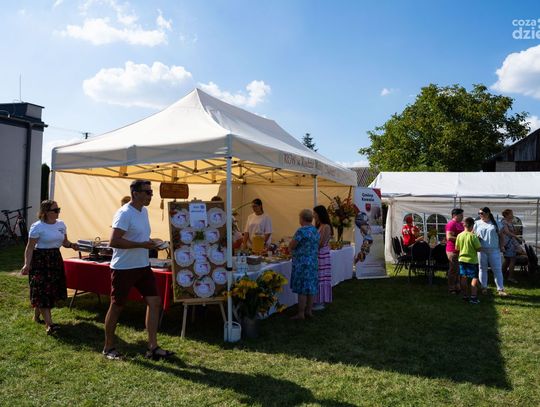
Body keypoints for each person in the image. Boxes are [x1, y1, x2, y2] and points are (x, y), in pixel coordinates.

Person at [102, 179, 174, 360]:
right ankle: (108, 348)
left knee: (155, 302)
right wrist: (142, 245)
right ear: (135, 193)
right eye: (147, 192)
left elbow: (140, 237)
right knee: (117, 306)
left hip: (142, 266)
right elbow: (114, 241)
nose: (151, 195)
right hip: (124, 268)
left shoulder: (144, 211)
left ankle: (153, 347)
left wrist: (152, 242)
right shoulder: (124, 213)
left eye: (151, 192)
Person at [20, 200, 79, 334]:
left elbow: (64, 241)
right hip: (40, 261)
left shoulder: (61, 224)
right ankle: (50, 325)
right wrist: (26, 264)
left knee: (48, 291)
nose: (58, 212)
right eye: (55, 210)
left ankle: (36, 317)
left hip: (55, 259)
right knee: (42, 290)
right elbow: (30, 248)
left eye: (59, 209)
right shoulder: (37, 227)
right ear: (46, 212)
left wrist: (71, 245)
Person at [289, 209, 320, 320]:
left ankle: (301, 313)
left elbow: (293, 245)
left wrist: (290, 247)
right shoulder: (315, 230)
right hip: (313, 262)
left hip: (302, 263)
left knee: (302, 289)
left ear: (302, 219)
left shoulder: (301, 231)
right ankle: (309, 311)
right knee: (310, 288)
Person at [474, 207, 508, 296]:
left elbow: (502, 236)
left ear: (488, 213)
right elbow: (472, 235)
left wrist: (502, 246)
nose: (480, 215)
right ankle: (483, 288)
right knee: (482, 269)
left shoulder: (496, 223)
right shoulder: (476, 223)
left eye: (482, 213)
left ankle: (500, 289)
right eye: (479, 213)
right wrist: (476, 238)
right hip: (481, 250)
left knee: (497, 270)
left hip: (494, 250)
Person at [455, 217, 482, 304]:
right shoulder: (473, 236)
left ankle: (465, 296)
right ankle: (473, 297)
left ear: (464, 225)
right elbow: (479, 249)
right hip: (472, 260)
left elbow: (457, 248)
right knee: (474, 278)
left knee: (463, 277)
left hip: (462, 260)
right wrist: (479, 240)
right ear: (472, 226)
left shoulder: (459, 235)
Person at [312, 205, 333, 311]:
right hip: (317, 254)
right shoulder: (318, 226)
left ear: (320, 214)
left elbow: (321, 243)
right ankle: (315, 300)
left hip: (322, 255)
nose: (313, 215)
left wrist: (311, 246)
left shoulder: (326, 227)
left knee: (321, 277)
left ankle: (320, 301)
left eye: (315, 213)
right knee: (317, 277)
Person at [501, 209, 523, 284]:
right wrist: (517, 237)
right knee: (512, 260)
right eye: (511, 213)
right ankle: (510, 277)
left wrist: (515, 233)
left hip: (510, 243)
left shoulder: (509, 222)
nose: (512, 215)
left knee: (507, 260)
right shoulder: (504, 222)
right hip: (508, 244)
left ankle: (501, 275)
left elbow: (511, 232)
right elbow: (507, 232)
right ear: (507, 215)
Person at [445, 208, 464, 294]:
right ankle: (451, 287)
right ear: (454, 215)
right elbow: (449, 237)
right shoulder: (451, 224)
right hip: (452, 250)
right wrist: (462, 239)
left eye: (462, 215)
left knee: (458, 269)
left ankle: (457, 286)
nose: (462, 216)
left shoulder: (460, 224)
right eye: (460, 215)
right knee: (453, 269)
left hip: (459, 250)